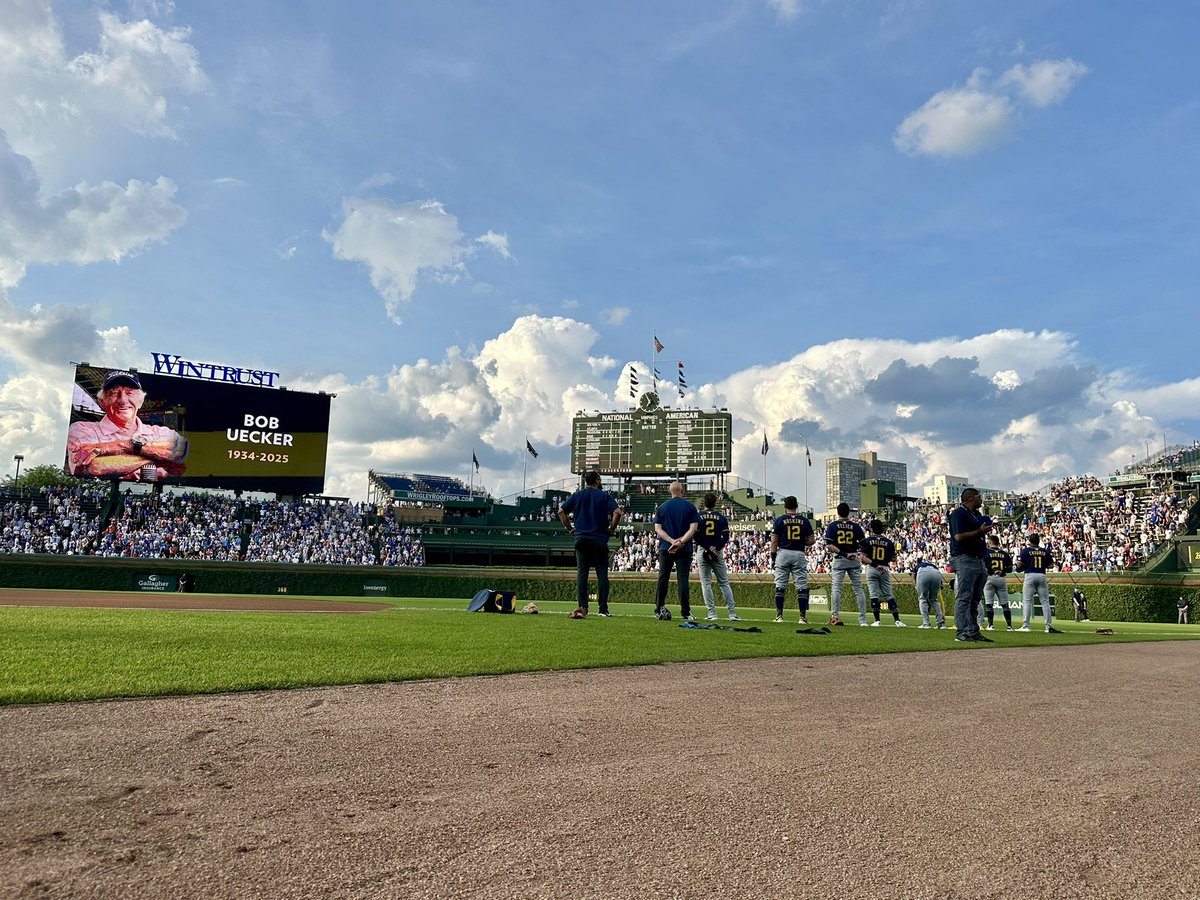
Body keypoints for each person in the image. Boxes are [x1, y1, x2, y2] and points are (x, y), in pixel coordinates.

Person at [67, 370, 188, 481]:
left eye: (130, 393)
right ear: (102, 401)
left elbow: (180, 450)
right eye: (114, 393)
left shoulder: (162, 432)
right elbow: (96, 467)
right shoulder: (81, 429)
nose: (123, 401)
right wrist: (159, 459)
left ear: (141, 401)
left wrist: (127, 446)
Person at [559, 471, 623, 618]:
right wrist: (611, 530)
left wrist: (570, 529)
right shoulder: (604, 496)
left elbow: (561, 512)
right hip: (599, 539)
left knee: (582, 574)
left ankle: (582, 608)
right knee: (602, 574)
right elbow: (617, 512)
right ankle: (603, 609)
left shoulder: (577, 495)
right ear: (598, 481)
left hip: (581, 538)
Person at [948, 487, 992, 643]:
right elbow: (959, 537)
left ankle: (973, 631)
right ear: (970, 499)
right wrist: (980, 532)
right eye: (979, 497)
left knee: (975, 598)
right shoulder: (958, 513)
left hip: (978, 559)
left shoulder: (976, 515)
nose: (981, 500)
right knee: (964, 596)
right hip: (964, 558)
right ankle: (961, 631)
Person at [653, 481, 700, 622]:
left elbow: (658, 529)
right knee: (683, 579)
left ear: (670, 491)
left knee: (663, 578)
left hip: (665, 547)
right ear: (682, 491)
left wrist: (672, 541)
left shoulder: (662, 508)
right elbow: (693, 529)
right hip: (684, 548)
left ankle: (659, 607)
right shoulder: (690, 507)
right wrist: (681, 542)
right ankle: (686, 612)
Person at [769, 496, 815, 624]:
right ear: (796, 506)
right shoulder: (804, 520)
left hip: (783, 552)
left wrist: (773, 558)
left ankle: (779, 616)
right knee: (801, 585)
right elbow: (811, 540)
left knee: (780, 585)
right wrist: (801, 541)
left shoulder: (779, 520)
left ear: (785, 507)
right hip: (798, 553)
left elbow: (774, 541)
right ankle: (802, 617)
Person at [696, 492, 741, 621]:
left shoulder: (698, 517)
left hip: (703, 550)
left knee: (706, 583)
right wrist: (716, 548)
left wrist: (708, 548)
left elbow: (696, 536)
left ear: (704, 503)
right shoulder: (721, 517)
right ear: (715, 503)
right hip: (717, 552)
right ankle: (732, 614)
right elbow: (725, 536)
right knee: (724, 583)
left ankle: (711, 613)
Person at [825, 502, 868, 626]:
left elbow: (829, 545)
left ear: (838, 512)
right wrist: (855, 548)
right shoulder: (855, 526)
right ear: (848, 512)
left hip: (840, 558)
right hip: (853, 558)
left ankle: (835, 616)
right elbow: (863, 544)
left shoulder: (833, 525)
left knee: (836, 588)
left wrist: (843, 553)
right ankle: (863, 620)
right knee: (858, 589)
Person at [862, 520, 905, 627]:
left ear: (872, 529)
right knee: (889, 594)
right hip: (884, 568)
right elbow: (894, 558)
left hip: (872, 568)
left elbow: (862, 557)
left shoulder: (867, 540)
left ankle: (877, 620)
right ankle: (897, 620)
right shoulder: (888, 541)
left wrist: (875, 564)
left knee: (873, 594)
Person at [1016, 532, 1054, 632]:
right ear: (1038, 541)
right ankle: (1048, 626)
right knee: (1045, 602)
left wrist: (1025, 565)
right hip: (1042, 575)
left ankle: (1026, 626)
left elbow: (1019, 566)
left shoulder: (1025, 551)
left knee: (1027, 601)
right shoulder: (1045, 551)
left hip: (1030, 575)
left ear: (1030, 541)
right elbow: (1051, 566)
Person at [983, 535, 1015, 631]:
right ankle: (1009, 626)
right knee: (1005, 604)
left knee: (989, 603)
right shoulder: (1004, 553)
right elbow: (1010, 568)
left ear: (990, 542)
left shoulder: (986, 552)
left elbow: (982, 566)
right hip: (1001, 578)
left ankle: (991, 625)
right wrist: (1002, 570)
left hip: (989, 577)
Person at [913, 560, 946, 629]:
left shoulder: (918, 566)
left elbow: (913, 576)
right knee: (934, 600)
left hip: (923, 573)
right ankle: (941, 624)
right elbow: (941, 584)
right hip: (936, 573)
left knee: (922, 599)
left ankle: (926, 623)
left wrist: (916, 586)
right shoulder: (933, 566)